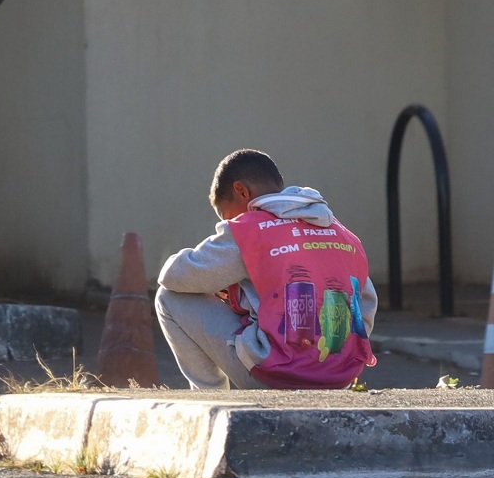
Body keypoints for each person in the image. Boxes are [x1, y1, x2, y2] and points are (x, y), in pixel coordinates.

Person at [155, 148, 377, 390]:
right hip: (339, 378)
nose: (229, 222)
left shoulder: (248, 229)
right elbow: (365, 307)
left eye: (225, 215)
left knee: (169, 297)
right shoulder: (342, 234)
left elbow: (174, 276)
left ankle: (211, 400)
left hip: (277, 378)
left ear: (241, 191)